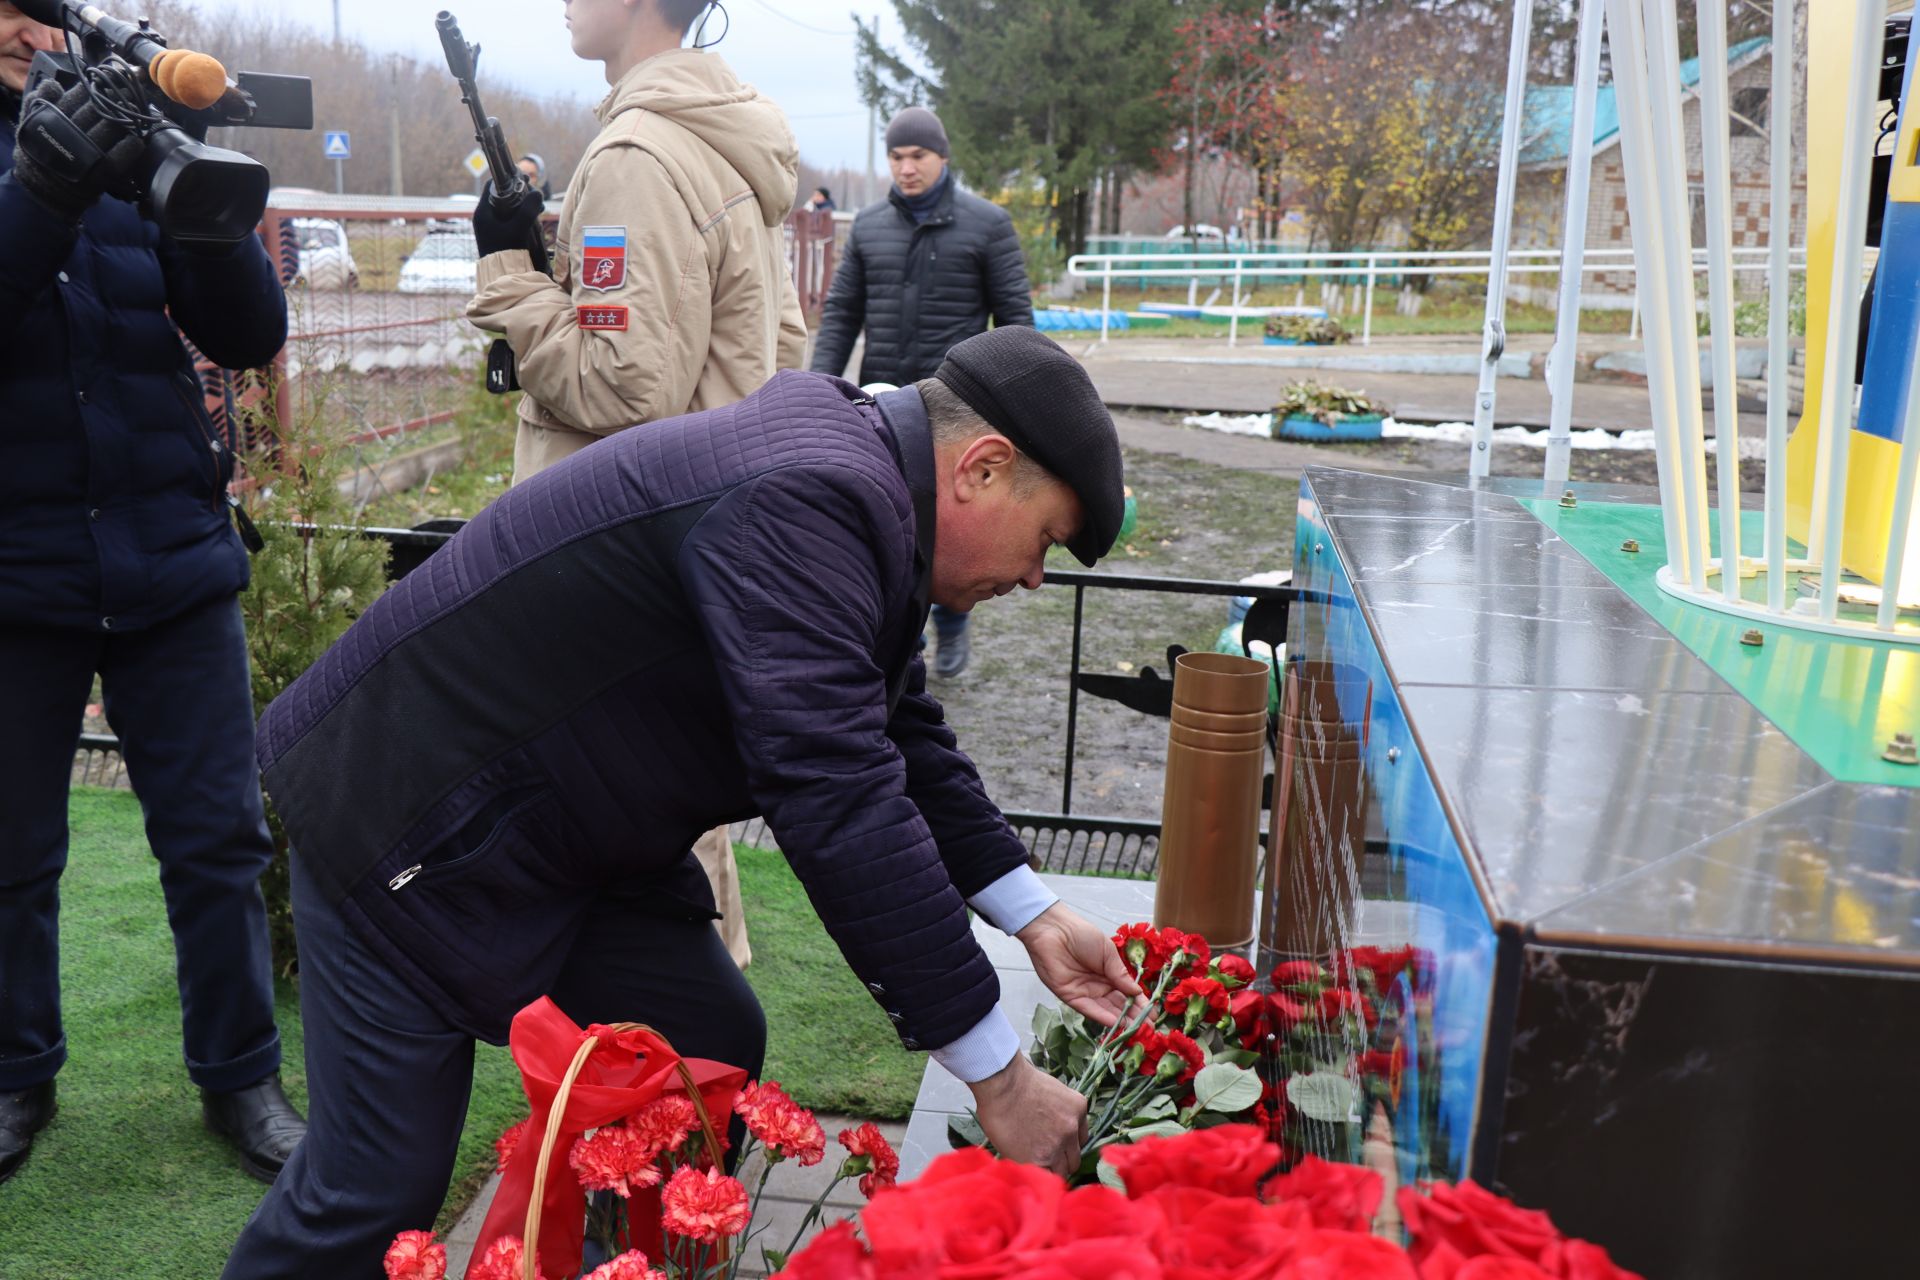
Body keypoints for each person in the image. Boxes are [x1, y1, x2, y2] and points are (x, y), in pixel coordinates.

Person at [220, 327, 1137, 1276]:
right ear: (982, 469)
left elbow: (891, 726)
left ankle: (628, 1266)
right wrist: (1000, 1074)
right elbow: (836, 790)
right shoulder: (810, 494)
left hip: (560, 826)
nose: (1034, 576)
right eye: (1047, 542)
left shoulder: (860, 481)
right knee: (375, 1187)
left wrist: (1036, 914)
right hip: (410, 818)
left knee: (704, 1044)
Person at [0, 0, 304, 1188]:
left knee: (219, 842)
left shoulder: (127, 124)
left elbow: (249, 332)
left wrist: (198, 190)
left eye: (44, 9)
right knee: (13, 855)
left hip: (173, 552)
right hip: (15, 572)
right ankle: (16, 1072)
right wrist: (46, 187)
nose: (29, 31)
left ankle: (241, 1079)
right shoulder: (54, 152)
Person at [467, 0, 809, 970]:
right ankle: (703, 1080)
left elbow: (624, 383)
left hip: (619, 554)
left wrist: (508, 275)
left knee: (628, 843)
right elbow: (766, 350)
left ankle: (663, 1090)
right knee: (672, 815)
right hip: (696, 536)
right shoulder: (724, 142)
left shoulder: (637, 155)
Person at [809, 105, 1036, 679]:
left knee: (948, 526)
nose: (906, 169)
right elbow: (841, 313)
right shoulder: (868, 226)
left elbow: (1016, 325)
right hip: (882, 399)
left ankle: (953, 623)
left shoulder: (988, 224)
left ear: (942, 158)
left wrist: (1022, 412)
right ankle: (895, 642)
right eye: (897, 157)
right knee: (881, 520)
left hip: (958, 408)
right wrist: (816, 390)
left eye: (918, 157)